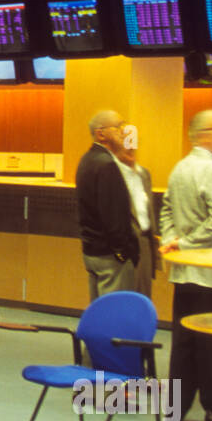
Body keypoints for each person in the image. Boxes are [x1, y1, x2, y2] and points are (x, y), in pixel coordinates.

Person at [159, 110, 212, 421]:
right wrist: (185, 243)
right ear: (203, 134)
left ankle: (175, 409)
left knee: (184, 343)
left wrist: (171, 240)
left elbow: (166, 208)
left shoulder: (180, 167)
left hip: (185, 273)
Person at [76, 110, 140, 300]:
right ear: (101, 134)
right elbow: (112, 214)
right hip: (110, 256)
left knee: (99, 309)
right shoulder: (107, 164)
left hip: (92, 250)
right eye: (118, 127)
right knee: (114, 312)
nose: (123, 132)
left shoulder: (87, 160)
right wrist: (122, 252)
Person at [117, 143, 159, 298]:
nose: (130, 150)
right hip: (125, 246)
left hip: (144, 242)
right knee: (125, 297)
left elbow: (148, 212)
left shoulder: (143, 174)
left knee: (143, 295)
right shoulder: (112, 174)